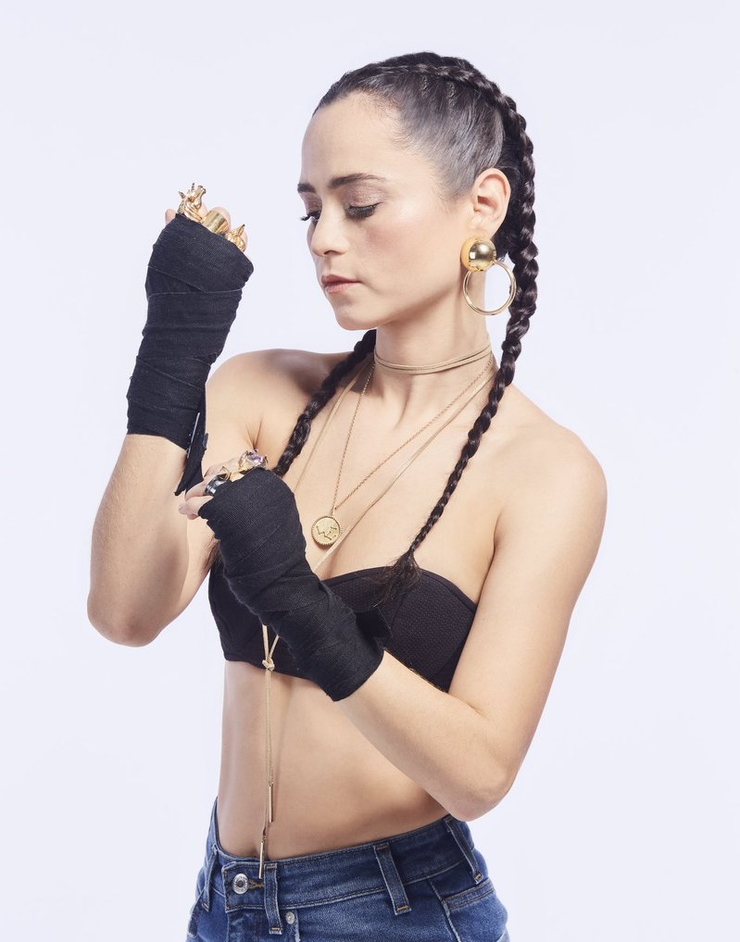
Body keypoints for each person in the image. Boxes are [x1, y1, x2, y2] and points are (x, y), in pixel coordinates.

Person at [89, 51, 606, 941]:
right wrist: (171, 358)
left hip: (395, 909)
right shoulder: (260, 393)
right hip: (225, 902)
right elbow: (124, 611)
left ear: (482, 204)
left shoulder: (547, 473)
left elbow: (479, 772)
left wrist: (297, 599)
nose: (325, 237)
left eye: (360, 204)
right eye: (311, 209)